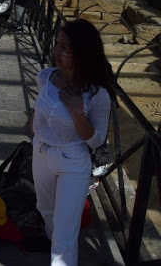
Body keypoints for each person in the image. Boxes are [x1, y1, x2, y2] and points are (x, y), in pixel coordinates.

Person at [31, 19, 114, 266]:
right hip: (41, 154)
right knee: (45, 209)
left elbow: (97, 140)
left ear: (82, 53)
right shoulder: (45, 76)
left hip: (73, 163)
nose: (56, 52)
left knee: (65, 236)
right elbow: (39, 111)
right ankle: (48, 237)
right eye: (58, 45)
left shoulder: (97, 94)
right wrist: (35, 132)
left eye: (65, 48)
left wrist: (78, 112)